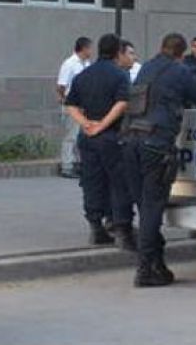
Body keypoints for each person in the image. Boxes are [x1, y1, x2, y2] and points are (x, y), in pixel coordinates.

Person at [121, 33, 196, 287]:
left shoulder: (146, 68)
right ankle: (145, 269)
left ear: (161, 47)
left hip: (130, 142)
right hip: (156, 145)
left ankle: (157, 263)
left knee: (144, 207)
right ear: (181, 54)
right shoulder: (181, 72)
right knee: (152, 208)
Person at [64, 34, 135, 248]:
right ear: (118, 52)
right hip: (112, 136)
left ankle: (96, 227)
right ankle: (121, 228)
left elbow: (70, 104)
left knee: (92, 181)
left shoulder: (84, 75)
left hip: (88, 137)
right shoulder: (120, 75)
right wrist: (103, 124)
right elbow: (122, 103)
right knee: (119, 183)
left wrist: (86, 123)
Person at [56, 37, 93, 178]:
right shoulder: (70, 64)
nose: (91, 51)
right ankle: (67, 166)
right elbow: (61, 85)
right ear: (84, 48)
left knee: (82, 136)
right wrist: (66, 100)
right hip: (72, 105)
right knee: (70, 136)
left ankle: (79, 163)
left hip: (84, 106)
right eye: (90, 48)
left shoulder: (87, 64)